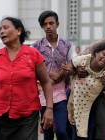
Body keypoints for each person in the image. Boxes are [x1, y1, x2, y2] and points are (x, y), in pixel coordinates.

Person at [0, 17, 53, 140]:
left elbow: (46, 83)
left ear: (18, 31)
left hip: (27, 117)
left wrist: (49, 109)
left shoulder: (33, 55)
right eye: (0, 29)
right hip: (1, 118)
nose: (1, 31)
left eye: (5, 28)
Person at [32, 10, 71, 140]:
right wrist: (47, 76)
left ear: (57, 24)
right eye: (45, 24)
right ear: (42, 27)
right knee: (47, 132)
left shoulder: (67, 45)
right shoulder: (36, 46)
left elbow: (73, 65)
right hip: (42, 94)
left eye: (51, 23)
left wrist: (65, 71)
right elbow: (31, 68)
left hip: (62, 93)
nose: (48, 26)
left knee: (61, 130)